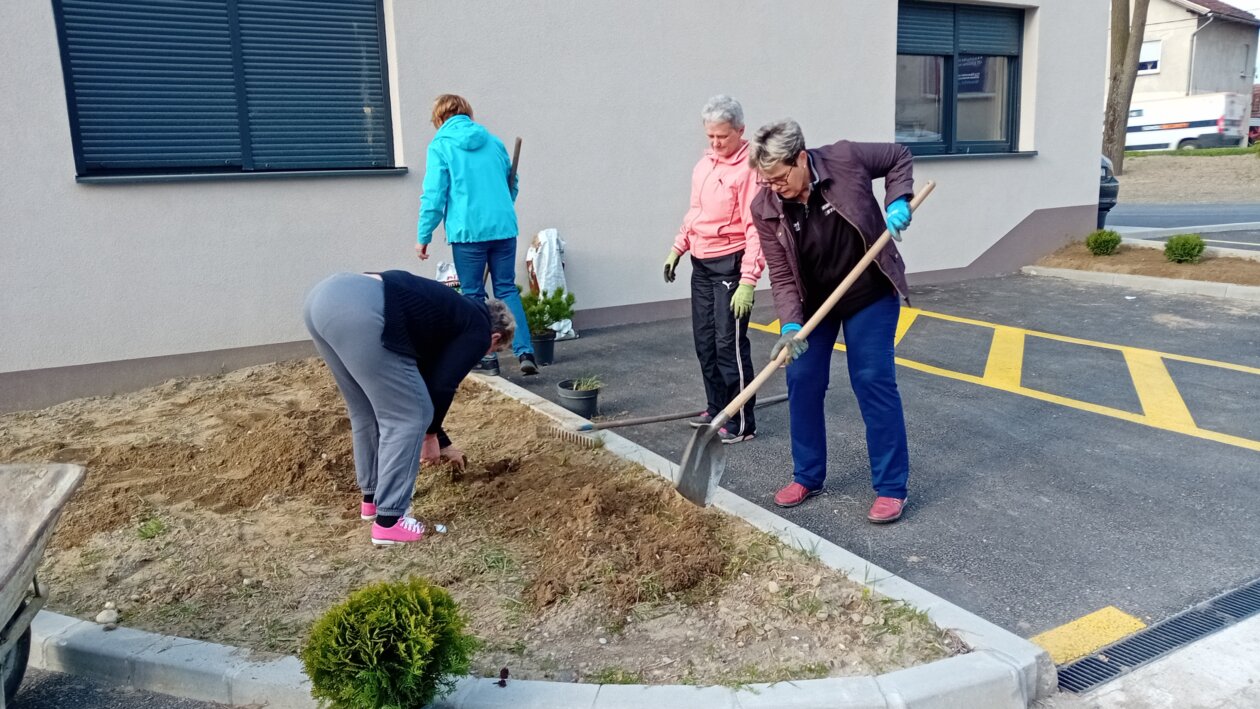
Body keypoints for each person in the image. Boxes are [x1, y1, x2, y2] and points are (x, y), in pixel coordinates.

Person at [747, 119, 916, 523]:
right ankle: (807, 475)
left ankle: (891, 487)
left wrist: (898, 199)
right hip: (813, 304)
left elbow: (898, 156)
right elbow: (782, 275)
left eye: (779, 178)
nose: (774, 187)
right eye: (766, 181)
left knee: (872, 379)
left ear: (801, 158)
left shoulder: (845, 158)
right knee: (802, 379)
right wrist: (790, 326)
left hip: (869, 293)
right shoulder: (765, 206)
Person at [303, 270, 514, 546]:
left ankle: (372, 501)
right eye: (491, 352)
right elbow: (441, 385)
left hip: (324, 298)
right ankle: (389, 522)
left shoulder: (453, 313)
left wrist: (441, 440)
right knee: (409, 416)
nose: (483, 355)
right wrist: (429, 437)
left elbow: (419, 385)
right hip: (361, 309)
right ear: (495, 338)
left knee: (367, 410)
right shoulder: (478, 331)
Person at [663, 95, 766, 444]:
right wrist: (678, 247)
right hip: (701, 264)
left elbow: (756, 229)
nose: (716, 143)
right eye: (710, 136)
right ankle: (716, 407)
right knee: (704, 342)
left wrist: (748, 280)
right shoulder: (704, 166)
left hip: (730, 266)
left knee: (729, 346)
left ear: (740, 130)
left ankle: (741, 421)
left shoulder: (749, 170)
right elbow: (695, 213)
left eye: (722, 136)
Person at [415, 93, 535, 377]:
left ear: (439, 118)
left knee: (473, 294)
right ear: (467, 113)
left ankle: (487, 359)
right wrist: (502, 209)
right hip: (503, 227)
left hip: (468, 232)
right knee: (506, 289)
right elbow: (512, 182)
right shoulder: (493, 142)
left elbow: (434, 196)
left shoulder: (441, 146)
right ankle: (525, 352)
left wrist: (423, 235)